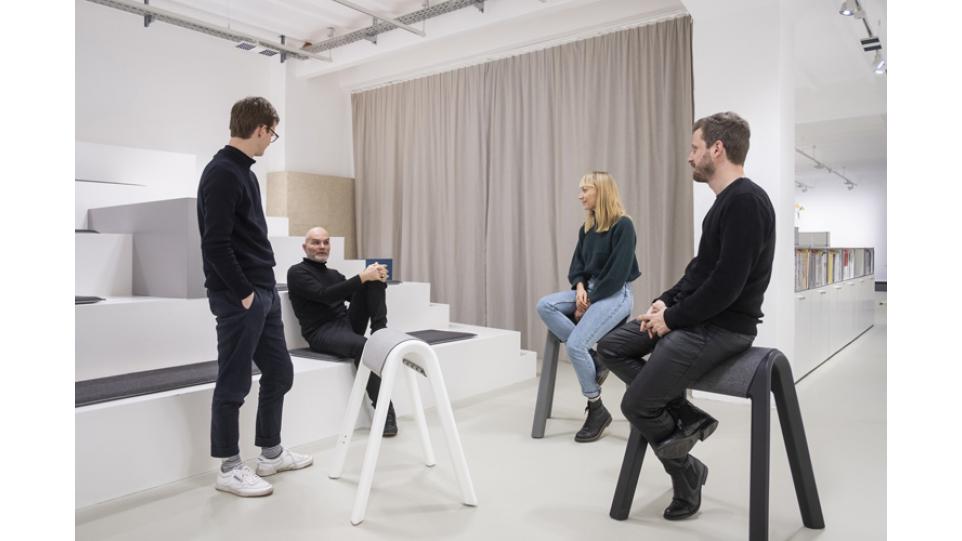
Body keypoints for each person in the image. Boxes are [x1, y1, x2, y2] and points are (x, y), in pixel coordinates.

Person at [596, 111, 775, 520]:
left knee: (637, 405)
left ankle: (687, 473)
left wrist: (673, 319)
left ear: (717, 148)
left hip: (725, 327)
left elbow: (726, 287)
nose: (690, 156)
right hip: (700, 318)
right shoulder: (725, 203)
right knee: (612, 346)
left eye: (695, 148)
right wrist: (665, 302)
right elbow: (700, 272)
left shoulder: (746, 202)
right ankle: (686, 415)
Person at [197, 97, 312, 498]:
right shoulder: (222, 172)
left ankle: (271, 453)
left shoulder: (243, 172)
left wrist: (262, 291)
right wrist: (245, 293)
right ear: (260, 129)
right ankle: (229, 468)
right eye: (272, 134)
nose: (270, 141)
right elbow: (215, 244)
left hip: (263, 291)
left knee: (280, 372)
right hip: (241, 296)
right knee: (233, 382)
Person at [535, 172, 641, 442]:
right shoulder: (588, 228)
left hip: (615, 294)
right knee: (545, 305)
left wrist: (588, 302)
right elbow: (577, 267)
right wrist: (580, 288)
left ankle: (595, 408)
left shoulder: (623, 225)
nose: (580, 195)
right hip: (590, 290)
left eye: (585, 190)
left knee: (575, 345)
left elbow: (617, 275)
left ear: (601, 191)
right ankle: (594, 360)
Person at [286, 226, 398, 437]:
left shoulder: (333, 274)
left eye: (326, 242)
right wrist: (362, 277)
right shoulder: (297, 272)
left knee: (372, 280)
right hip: (321, 332)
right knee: (363, 345)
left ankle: (380, 332)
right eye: (316, 242)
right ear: (305, 247)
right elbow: (324, 295)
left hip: (346, 324)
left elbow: (355, 295)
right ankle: (385, 412)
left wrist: (378, 279)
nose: (322, 246)